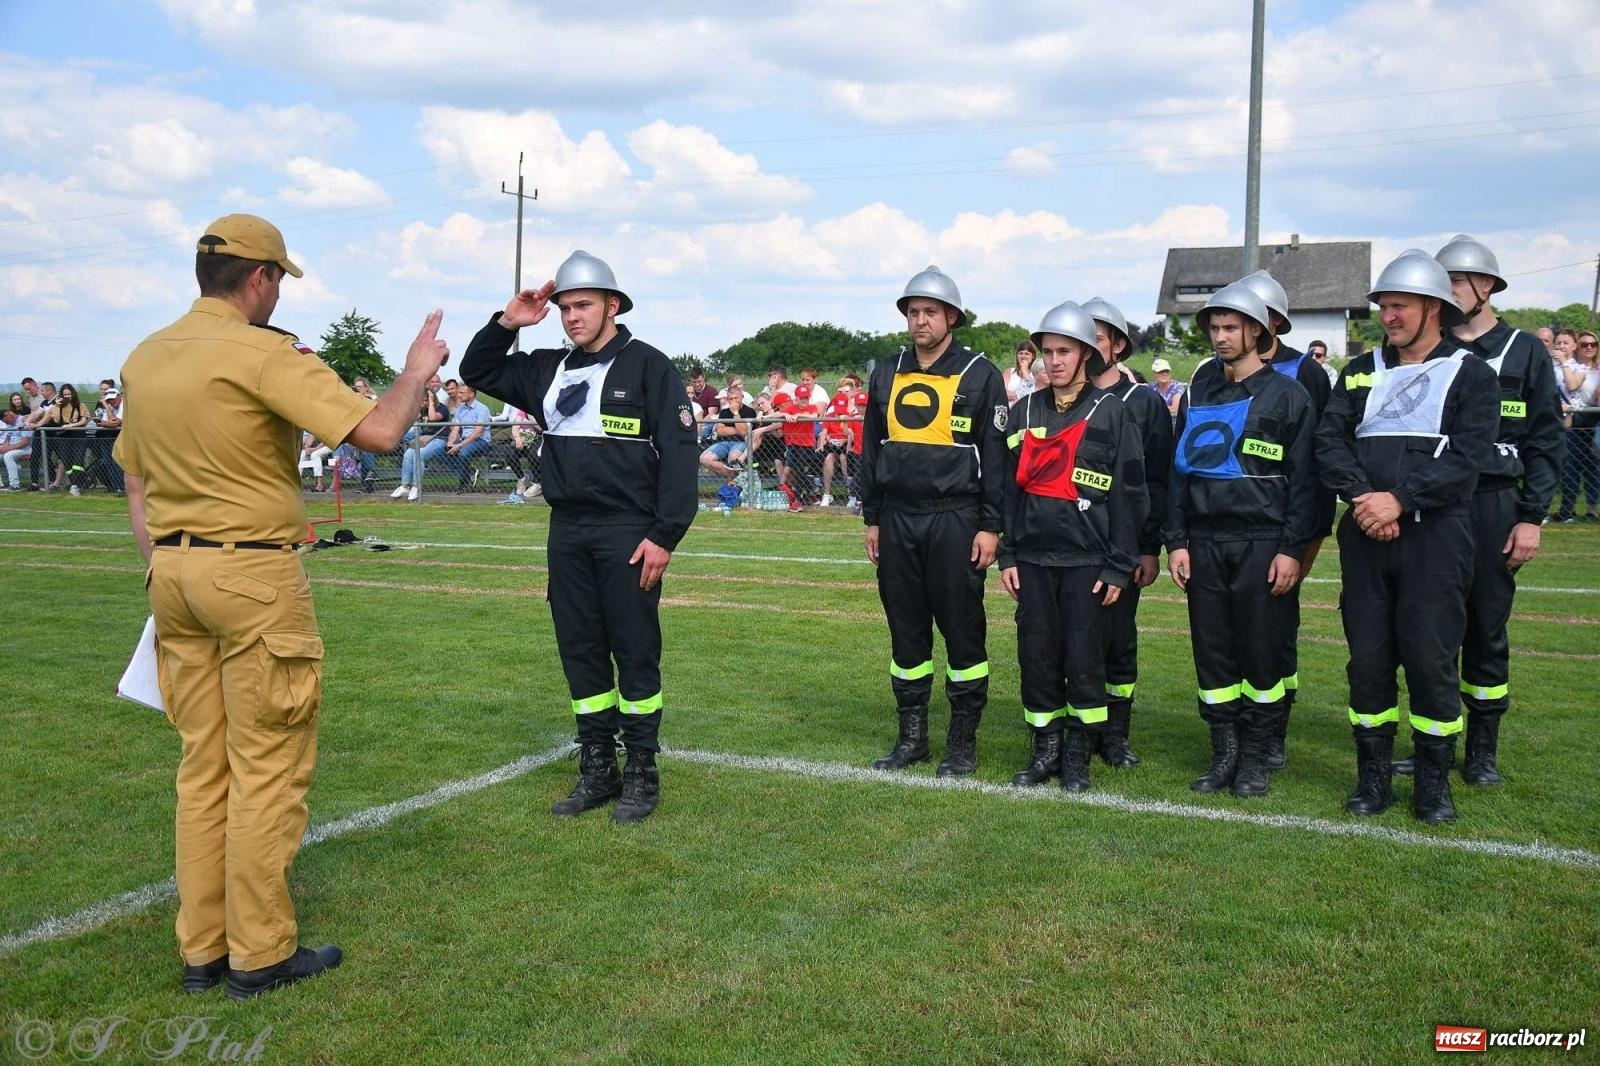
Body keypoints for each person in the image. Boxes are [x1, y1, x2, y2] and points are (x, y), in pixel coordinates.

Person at [113, 213, 449, 999]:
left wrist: (165, 564)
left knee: (203, 770)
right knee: (266, 770)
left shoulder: (146, 355)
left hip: (172, 571)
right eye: (276, 280)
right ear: (260, 278)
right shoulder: (263, 352)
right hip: (252, 575)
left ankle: (203, 950)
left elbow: (133, 480)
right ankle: (259, 952)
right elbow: (380, 428)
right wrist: (416, 371)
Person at [461, 250, 698, 823]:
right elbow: (478, 372)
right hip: (567, 531)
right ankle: (598, 768)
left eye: (583, 305)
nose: (571, 317)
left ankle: (642, 769)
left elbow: (681, 456)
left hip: (628, 532)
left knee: (635, 650)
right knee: (581, 652)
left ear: (612, 305)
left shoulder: (649, 367)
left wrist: (665, 535)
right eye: (565, 307)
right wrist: (508, 323)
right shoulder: (547, 368)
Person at [1316, 249, 1499, 824]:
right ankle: (1371, 780)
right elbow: (1330, 441)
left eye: (1399, 306)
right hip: (1366, 539)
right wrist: (1364, 499)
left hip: (1437, 539)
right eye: (1384, 306)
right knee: (1368, 662)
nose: (1388, 316)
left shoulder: (1471, 374)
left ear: (1433, 309)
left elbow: (1467, 459)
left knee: (1430, 660)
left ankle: (1432, 783)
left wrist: (1402, 498)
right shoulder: (1360, 369)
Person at [1386, 235, 1562, 786]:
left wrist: (1531, 516)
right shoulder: (1417, 353)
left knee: (1485, 625)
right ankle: (1433, 739)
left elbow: (1545, 439)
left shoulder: (1523, 351)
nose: (1449, 290)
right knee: (1427, 629)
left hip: (1491, 503)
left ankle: (1482, 747)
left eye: (1459, 281)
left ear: (1486, 287)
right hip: (1431, 505)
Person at [1163, 282, 1316, 800]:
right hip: (1204, 541)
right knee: (1213, 654)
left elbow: (1306, 483)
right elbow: (1179, 469)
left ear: (1258, 330)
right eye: (1215, 328)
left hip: (1262, 541)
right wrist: (1177, 539)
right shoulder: (1200, 388)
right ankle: (1223, 753)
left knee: (1260, 651)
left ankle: (1254, 757)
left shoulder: (1290, 394)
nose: (1221, 337)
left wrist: (1292, 549)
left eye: (1231, 327)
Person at [860, 265, 1008, 776]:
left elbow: (997, 455)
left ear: (951, 317)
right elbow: (870, 448)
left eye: (931, 312)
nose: (921, 321)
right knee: (906, 631)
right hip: (898, 518)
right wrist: (873, 518)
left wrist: (991, 525)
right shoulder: (887, 369)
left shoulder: (980, 373)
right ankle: (912, 738)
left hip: (956, 518)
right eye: (913, 312)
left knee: (962, 629)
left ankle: (963, 741)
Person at [999, 302, 1146, 792]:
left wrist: (1119, 565)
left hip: (1088, 562)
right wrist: (1009, 555)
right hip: (1034, 561)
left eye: (1065, 351)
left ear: (1087, 355)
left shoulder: (1113, 413)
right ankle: (1045, 753)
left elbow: (1130, 496)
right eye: (1048, 351)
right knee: (1037, 660)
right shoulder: (1022, 411)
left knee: (1085, 662)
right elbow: (1008, 493)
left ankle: (1079, 757)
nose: (1054, 360)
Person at [1236, 269, 1336, 769]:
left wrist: (1303, 542)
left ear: (1273, 321)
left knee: (1279, 627)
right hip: (1233, 527)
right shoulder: (1217, 372)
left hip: (1288, 526)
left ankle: (1275, 725)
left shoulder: (1305, 373)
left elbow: (1312, 463)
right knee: (1238, 634)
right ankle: (1240, 728)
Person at [1083, 297, 1171, 768]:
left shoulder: (1145, 402)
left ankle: (1115, 735)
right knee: (1069, 638)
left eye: (1096, 336)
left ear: (1118, 344)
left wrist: (1147, 546)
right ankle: (1075, 730)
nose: (1087, 346)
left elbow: (1156, 479)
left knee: (1118, 639)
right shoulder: (1060, 401)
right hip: (1070, 543)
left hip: (1121, 546)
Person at [700, 384, 753, 478]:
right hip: (723, 442)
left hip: (741, 442)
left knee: (733, 458)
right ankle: (731, 477)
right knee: (704, 458)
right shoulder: (724, 412)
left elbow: (744, 433)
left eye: (736, 398)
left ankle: (733, 484)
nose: (733, 401)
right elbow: (720, 430)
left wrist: (736, 413)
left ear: (742, 397)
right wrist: (738, 429)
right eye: (730, 399)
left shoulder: (750, 412)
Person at [0, 408, 32, 490]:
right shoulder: (10, 424)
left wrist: (8, 449)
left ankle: (14, 485)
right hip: (13, 449)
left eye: (6, 421)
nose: (6, 423)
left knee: (8, 455)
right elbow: (8, 439)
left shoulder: (23, 421)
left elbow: (25, 442)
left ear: (9, 415)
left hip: (26, 449)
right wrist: (4, 447)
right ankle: (0, 485)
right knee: (5, 454)